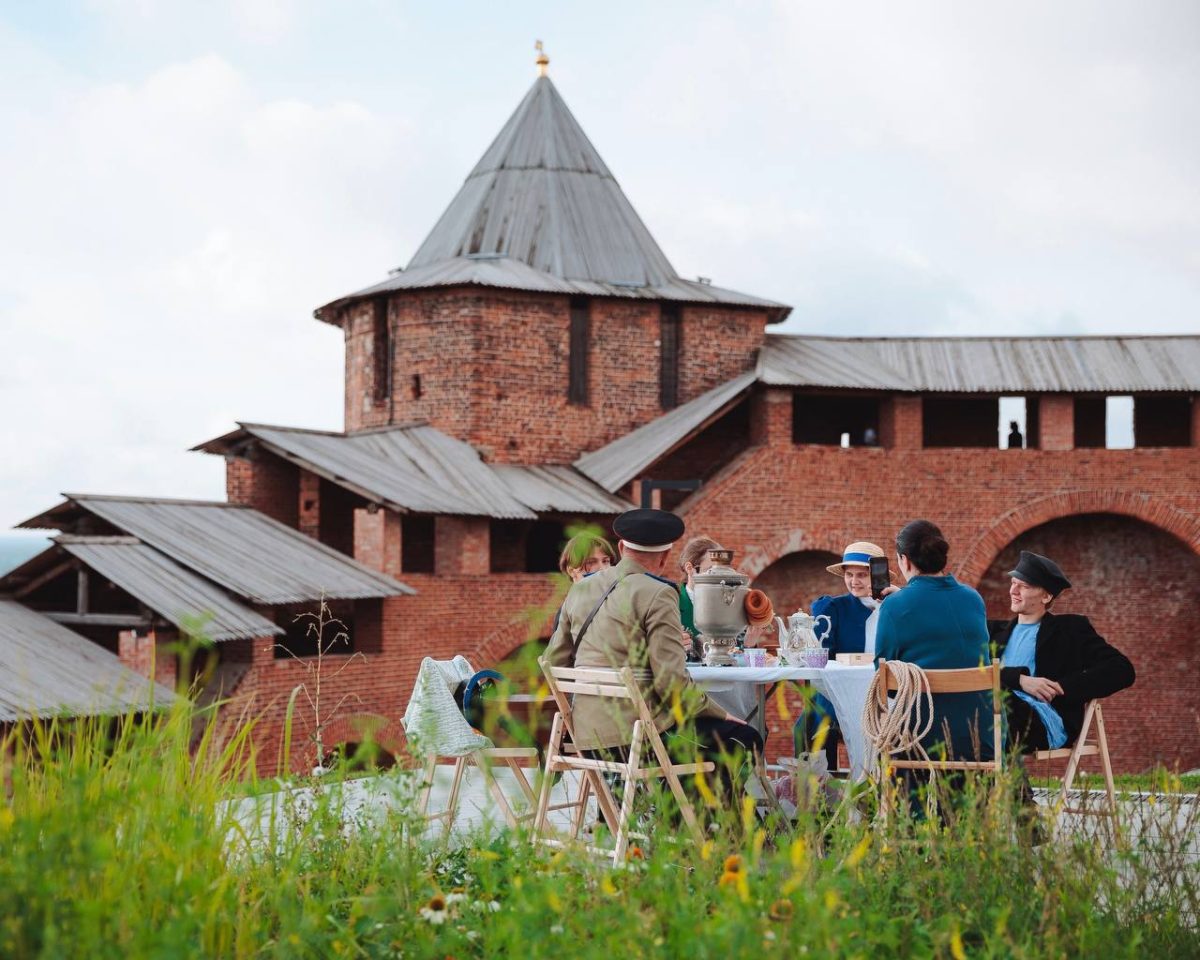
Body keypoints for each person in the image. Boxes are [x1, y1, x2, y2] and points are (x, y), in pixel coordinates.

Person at [546, 509, 761, 796]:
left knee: (708, 740)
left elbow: (552, 661)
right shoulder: (658, 592)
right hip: (638, 737)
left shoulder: (580, 589)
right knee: (744, 737)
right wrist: (720, 713)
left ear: (621, 548)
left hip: (585, 737)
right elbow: (671, 684)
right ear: (664, 557)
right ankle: (705, 829)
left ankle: (679, 819)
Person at [989, 551, 1134, 753]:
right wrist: (1020, 680)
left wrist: (1062, 687)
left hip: (1044, 719)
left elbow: (1122, 669)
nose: (1014, 590)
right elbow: (971, 673)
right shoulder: (992, 631)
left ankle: (1007, 784)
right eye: (1013, 583)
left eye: (1024, 586)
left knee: (990, 701)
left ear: (1046, 596)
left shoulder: (1070, 629)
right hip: (996, 710)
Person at [875, 520, 994, 765]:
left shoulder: (895, 606)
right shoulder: (974, 599)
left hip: (919, 735)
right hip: (978, 735)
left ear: (904, 560)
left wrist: (898, 604)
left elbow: (883, 679)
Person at [795, 541, 892, 768]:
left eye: (862, 575)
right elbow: (821, 654)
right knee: (812, 723)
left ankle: (878, 788)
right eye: (849, 574)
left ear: (877, 576)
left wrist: (893, 600)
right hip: (840, 690)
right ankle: (820, 790)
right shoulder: (833, 608)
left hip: (883, 692)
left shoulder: (894, 606)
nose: (854, 581)